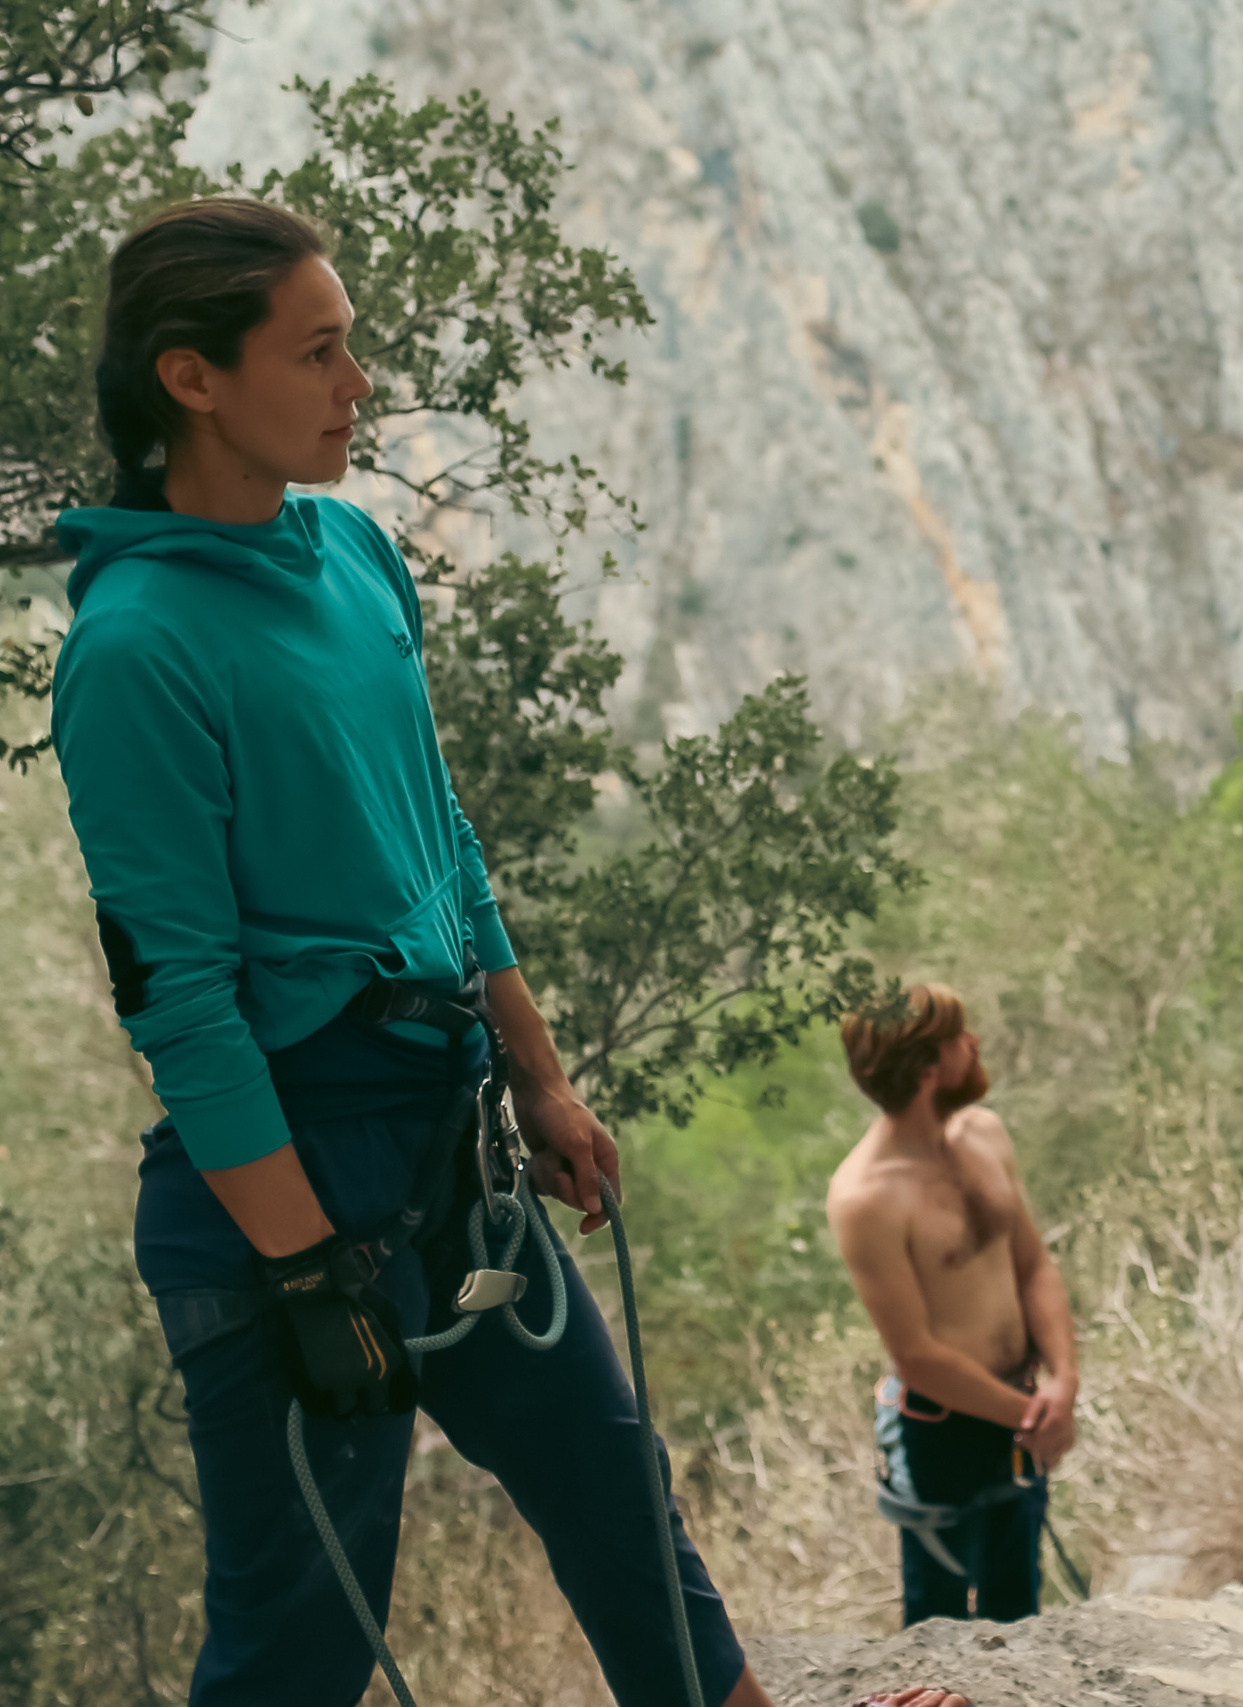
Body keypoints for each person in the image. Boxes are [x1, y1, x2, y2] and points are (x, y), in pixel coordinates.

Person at [46, 197, 787, 1707]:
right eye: (319, 352)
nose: (358, 383)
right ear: (193, 378)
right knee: (298, 1644)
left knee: (620, 1501)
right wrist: (305, 1262)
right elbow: (176, 998)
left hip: (450, 1134)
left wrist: (539, 1079)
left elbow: (439, 839)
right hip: (290, 1177)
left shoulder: (354, 556)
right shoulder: (132, 649)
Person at [829, 985, 1080, 1628]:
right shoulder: (868, 1197)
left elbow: (1032, 1264)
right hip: (943, 1430)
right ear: (928, 1067)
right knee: (937, 1625)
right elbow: (917, 1355)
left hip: (1021, 1408)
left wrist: (1063, 1383)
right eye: (960, 1036)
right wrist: (1035, 1416)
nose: (976, 1044)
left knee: (1017, 1607)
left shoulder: (984, 1134)